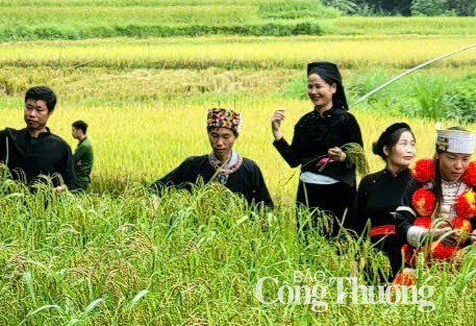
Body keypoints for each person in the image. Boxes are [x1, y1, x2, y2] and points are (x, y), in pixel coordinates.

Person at [271, 61, 363, 239]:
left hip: (338, 195)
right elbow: (294, 161)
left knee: (339, 244)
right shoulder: (305, 122)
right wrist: (276, 132)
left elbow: (358, 157)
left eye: (318, 86)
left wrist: (343, 157)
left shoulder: (346, 120)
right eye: (310, 87)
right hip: (308, 194)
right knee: (309, 243)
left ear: (333, 88)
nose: (313, 91)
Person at [394, 127, 476, 284]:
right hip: (421, 267)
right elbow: (401, 224)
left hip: (462, 270)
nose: (459, 166)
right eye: (452, 158)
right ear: (438, 155)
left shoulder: (473, 185)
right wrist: (431, 235)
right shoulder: (420, 183)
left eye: (465, 159)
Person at [150, 108, 274, 207]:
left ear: (236, 136)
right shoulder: (193, 166)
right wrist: (154, 203)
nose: (219, 142)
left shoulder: (249, 169)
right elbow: (156, 188)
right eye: (214, 135)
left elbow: (266, 207)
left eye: (226, 137)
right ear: (208, 133)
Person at [352, 122, 415, 283]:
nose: (410, 149)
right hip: (377, 256)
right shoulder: (369, 182)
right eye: (403, 144)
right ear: (387, 150)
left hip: (408, 256)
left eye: (412, 144)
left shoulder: (418, 182)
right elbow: (357, 226)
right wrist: (355, 262)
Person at [71, 120, 94, 190]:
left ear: (79, 131)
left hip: (80, 179)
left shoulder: (84, 146)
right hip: (81, 178)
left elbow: (72, 160)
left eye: (73, 130)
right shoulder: (84, 143)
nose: (72, 133)